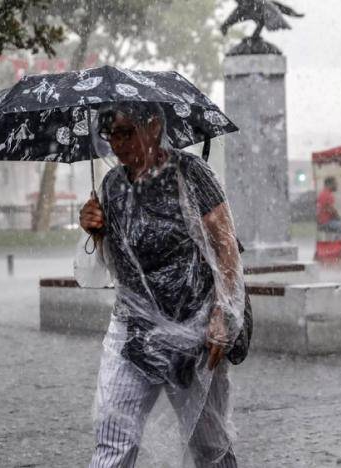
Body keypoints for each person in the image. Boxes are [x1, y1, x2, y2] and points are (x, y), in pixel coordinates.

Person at [80, 102, 245, 467]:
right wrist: (95, 231)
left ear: (153, 126)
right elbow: (116, 265)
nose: (118, 145)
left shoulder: (190, 174)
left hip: (193, 333)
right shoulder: (111, 185)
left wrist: (224, 313)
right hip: (133, 333)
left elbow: (225, 245)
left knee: (209, 447)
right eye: (111, 136)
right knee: (113, 439)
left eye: (126, 132)